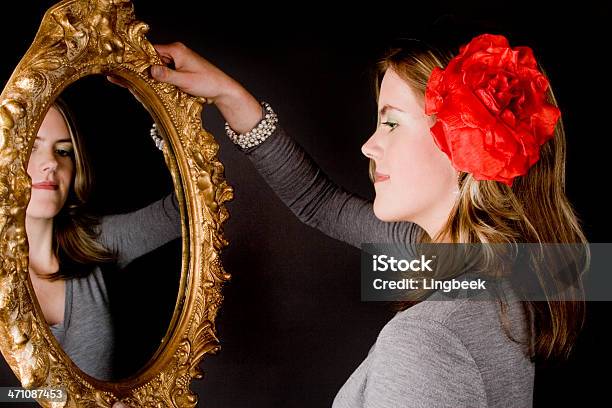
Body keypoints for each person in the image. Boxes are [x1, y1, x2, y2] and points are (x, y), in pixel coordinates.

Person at [116, 33, 587, 407]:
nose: (369, 145)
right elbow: (319, 203)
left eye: (392, 122)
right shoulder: (505, 271)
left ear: (466, 145)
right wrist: (226, 93)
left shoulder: (425, 341)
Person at [26, 99, 182, 381]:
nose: (51, 162)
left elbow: (191, 206)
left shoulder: (95, 241)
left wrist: (175, 133)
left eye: (63, 151)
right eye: (30, 147)